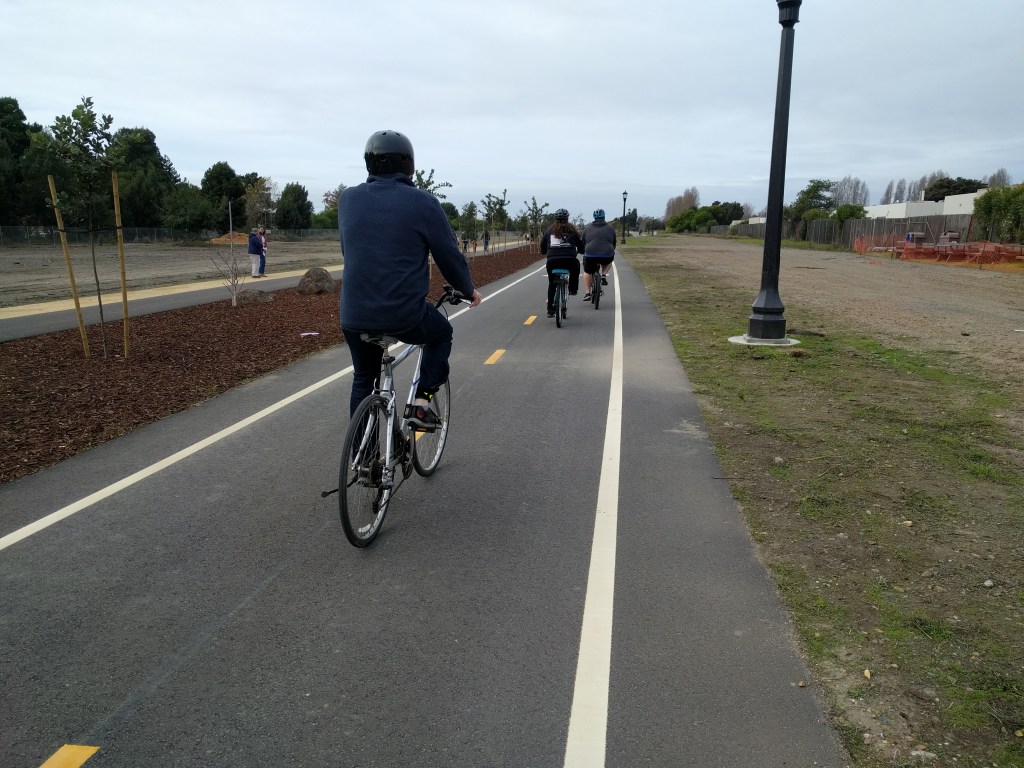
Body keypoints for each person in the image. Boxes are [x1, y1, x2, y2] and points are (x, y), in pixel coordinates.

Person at [338, 129, 482, 428]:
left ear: (369, 163)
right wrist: (468, 290)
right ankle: (420, 404)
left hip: (354, 314)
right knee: (441, 334)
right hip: (403, 314)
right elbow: (449, 256)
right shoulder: (424, 203)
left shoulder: (348, 199)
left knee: (364, 378)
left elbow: (348, 249)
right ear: (409, 165)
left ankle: (361, 461)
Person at [540, 209, 583, 317]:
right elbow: (581, 246)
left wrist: (546, 251)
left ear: (556, 219)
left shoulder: (549, 230)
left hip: (552, 261)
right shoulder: (573, 230)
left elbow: (542, 248)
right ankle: (573, 289)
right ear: (567, 219)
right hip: (570, 260)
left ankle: (550, 310)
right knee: (576, 266)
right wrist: (581, 250)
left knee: (552, 284)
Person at [581, 209, 616, 299]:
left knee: (587, 271)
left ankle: (587, 293)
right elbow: (613, 241)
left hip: (590, 254)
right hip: (606, 254)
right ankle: (604, 274)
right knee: (609, 260)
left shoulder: (588, 228)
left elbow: (583, 241)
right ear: (604, 217)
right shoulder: (610, 228)